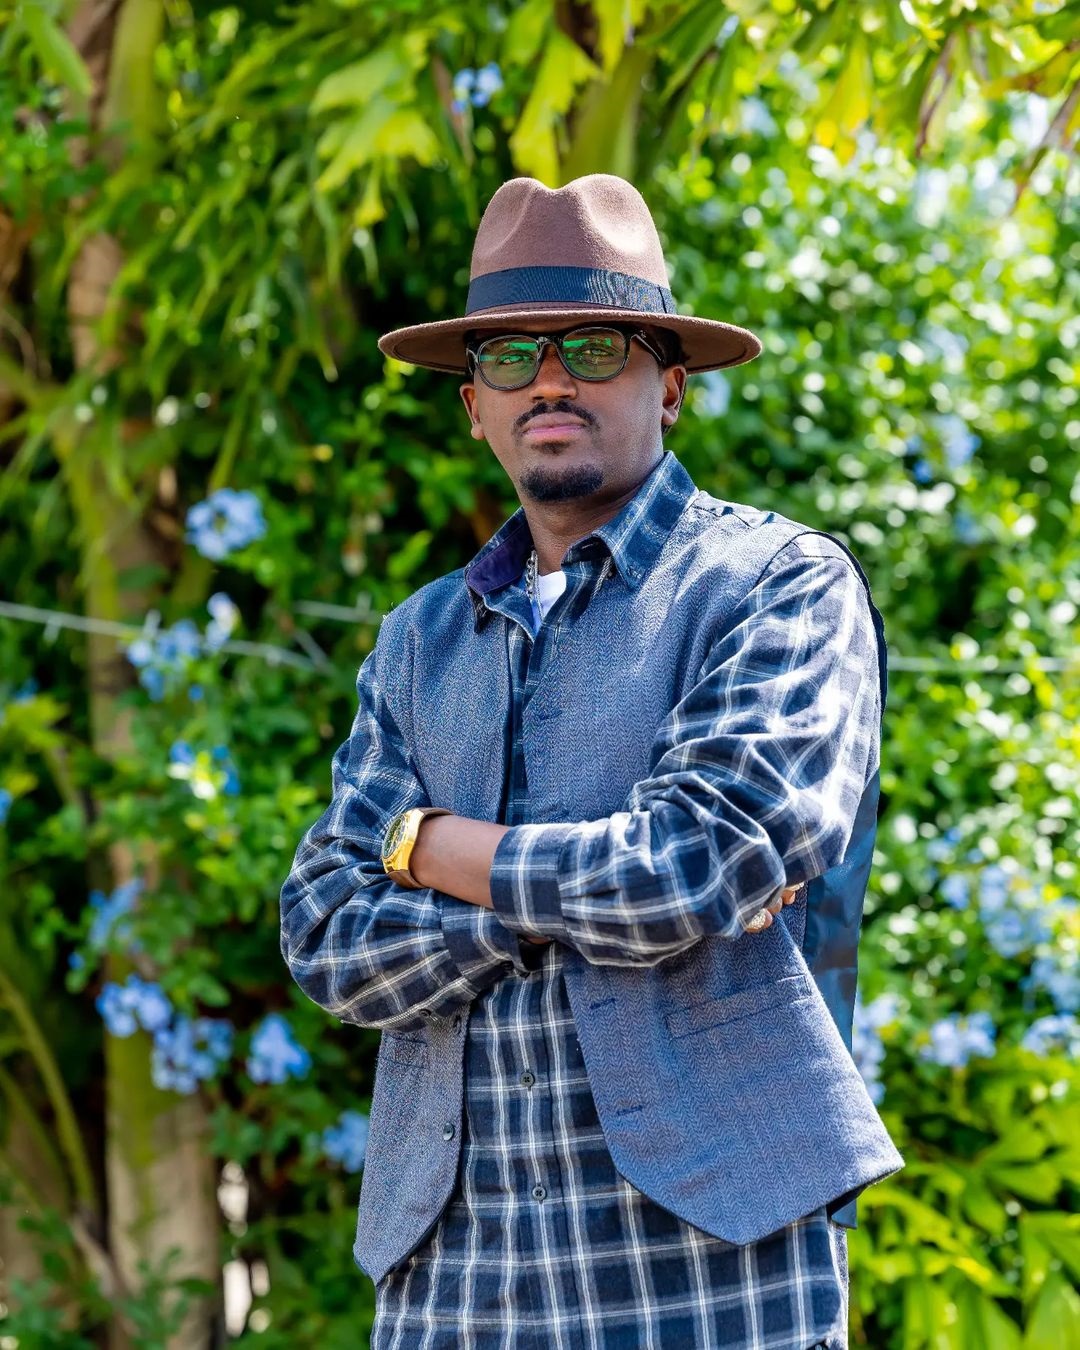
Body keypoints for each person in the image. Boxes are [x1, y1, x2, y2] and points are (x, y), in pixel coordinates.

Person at [280, 173, 903, 1349]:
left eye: (593, 346)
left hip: (713, 1253)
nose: (551, 379)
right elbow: (327, 936)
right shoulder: (417, 642)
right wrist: (559, 899)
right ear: (474, 405)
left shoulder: (776, 585)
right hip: (455, 1271)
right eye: (512, 356)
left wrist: (424, 849)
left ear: (669, 386)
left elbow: (688, 866)